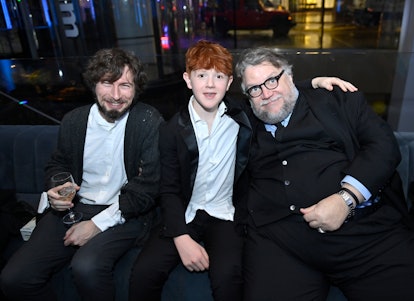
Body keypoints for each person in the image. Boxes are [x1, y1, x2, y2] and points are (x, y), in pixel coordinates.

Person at [128, 40, 358, 301]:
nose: (210, 84)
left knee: (229, 276)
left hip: (226, 215)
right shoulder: (170, 129)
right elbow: (168, 188)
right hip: (184, 212)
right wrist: (180, 236)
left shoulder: (243, 116)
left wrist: (312, 83)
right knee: (144, 274)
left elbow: (272, 95)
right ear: (188, 79)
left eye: (219, 76)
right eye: (201, 75)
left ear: (229, 84)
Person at [234, 47, 414, 301]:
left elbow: (384, 146)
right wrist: (307, 83)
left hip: (364, 236)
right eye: (255, 89)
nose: (266, 93)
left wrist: (346, 198)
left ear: (290, 76)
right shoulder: (244, 120)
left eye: (272, 80)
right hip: (282, 245)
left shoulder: (339, 100)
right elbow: (210, 97)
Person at [0, 48, 164, 301]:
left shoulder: (148, 121)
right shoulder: (74, 121)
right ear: (94, 84)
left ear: (136, 88)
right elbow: (59, 163)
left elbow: (149, 187)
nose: (116, 95)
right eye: (107, 83)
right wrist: (57, 190)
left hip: (124, 212)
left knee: (86, 267)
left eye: (125, 85)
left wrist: (96, 225)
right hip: (73, 208)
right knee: (15, 278)